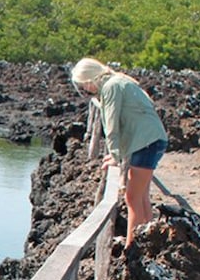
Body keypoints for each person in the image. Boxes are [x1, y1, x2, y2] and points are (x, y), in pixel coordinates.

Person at [70, 57, 169, 249]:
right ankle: (149, 244)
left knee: (132, 197)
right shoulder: (116, 81)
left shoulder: (111, 87)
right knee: (141, 197)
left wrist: (115, 156)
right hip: (152, 140)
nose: (84, 91)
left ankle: (132, 249)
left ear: (90, 79)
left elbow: (112, 124)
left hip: (147, 143)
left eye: (83, 86)